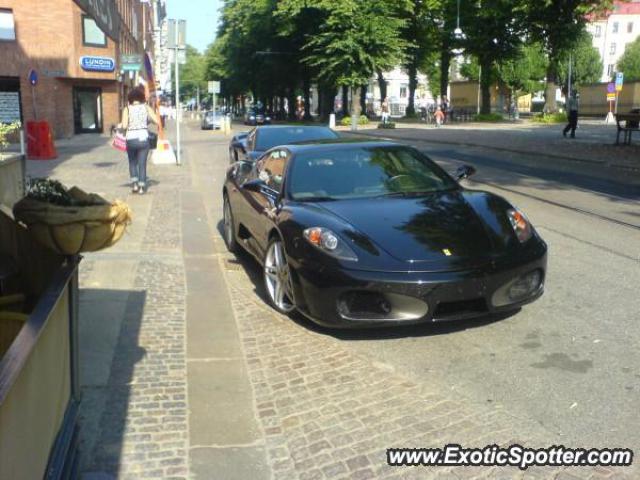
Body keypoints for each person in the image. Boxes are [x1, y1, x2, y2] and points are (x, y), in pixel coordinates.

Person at [119, 86, 160, 194]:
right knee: (142, 164)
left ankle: (135, 186)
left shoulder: (127, 109)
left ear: (130, 98)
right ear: (142, 97)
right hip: (143, 138)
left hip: (131, 139)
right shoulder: (146, 108)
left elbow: (124, 126)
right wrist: (147, 121)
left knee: (132, 163)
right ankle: (142, 188)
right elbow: (156, 121)